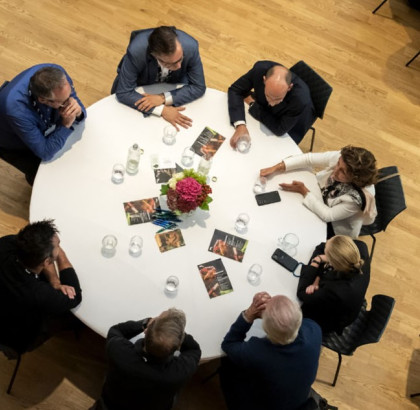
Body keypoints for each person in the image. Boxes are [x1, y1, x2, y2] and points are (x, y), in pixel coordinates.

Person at [221, 292, 321, 410]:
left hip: (264, 404)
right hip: (297, 401)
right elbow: (302, 323)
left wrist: (249, 315)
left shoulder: (257, 352)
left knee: (226, 364)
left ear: (265, 327)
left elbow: (228, 344)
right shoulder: (314, 331)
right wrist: (281, 314)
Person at [0, 220, 82, 353]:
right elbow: (75, 297)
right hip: (14, 338)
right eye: (58, 245)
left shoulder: (6, 244)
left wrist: (55, 282)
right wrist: (61, 256)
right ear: (47, 261)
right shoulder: (38, 293)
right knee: (71, 316)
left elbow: (38, 255)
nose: (59, 247)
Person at [260, 145, 378, 238]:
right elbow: (309, 159)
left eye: (343, 172)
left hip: (333, 227)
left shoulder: (355, 199)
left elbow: (327, 215)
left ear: (355, 179)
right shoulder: (343, 159)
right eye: (338, 164)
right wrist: (277, 167)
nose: (335, 171)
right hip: (319, 195)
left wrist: (304, 191)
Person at [96, 308, 201, 410]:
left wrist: (145, 322)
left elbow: (116, 330)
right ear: (179, 345)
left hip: (109, 403)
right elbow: (194, 350)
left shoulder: (118, 351)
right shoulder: (179, 372)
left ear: (146, 331)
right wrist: (176, 333)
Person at [0, 64, 86, 185]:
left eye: (69, 94)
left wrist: (78, 112)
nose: (69, 101)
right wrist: (65, 125)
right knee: (43, 177)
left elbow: (80, 113)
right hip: (11, 140)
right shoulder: (16, 111)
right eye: (64, 101)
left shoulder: (58, 76)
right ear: (43, 100)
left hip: (37, 122)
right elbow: (45, 152)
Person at [111, 26, 206, 131]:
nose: (179, 66)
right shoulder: (136, 52)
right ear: (155, 56)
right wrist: (162, 110)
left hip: (175, 82)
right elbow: (124, 92)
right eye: (171, 63)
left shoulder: (190, 46)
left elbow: (198, 87)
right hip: (142, 84)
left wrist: (162, 98)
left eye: (180, 59)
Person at [228, 61, 315, 149]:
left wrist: (253, 104)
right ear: (264, 80)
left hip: (293, 122)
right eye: (268, 95)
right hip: (265, 109)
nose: (272, 103)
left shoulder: (300, 99)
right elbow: (235, 90)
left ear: (289, 87)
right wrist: (240, 125)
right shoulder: (259, 70)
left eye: (278, 98)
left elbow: (279, 129)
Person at [297, 235, 370, 334]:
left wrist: (317, 260)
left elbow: (302, 292)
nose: (326, 242)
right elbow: (321, 247)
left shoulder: (335, 291)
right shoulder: (360, 248)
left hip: (331, 319)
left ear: (332, 262)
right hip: (348, 303)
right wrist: (318, 278)